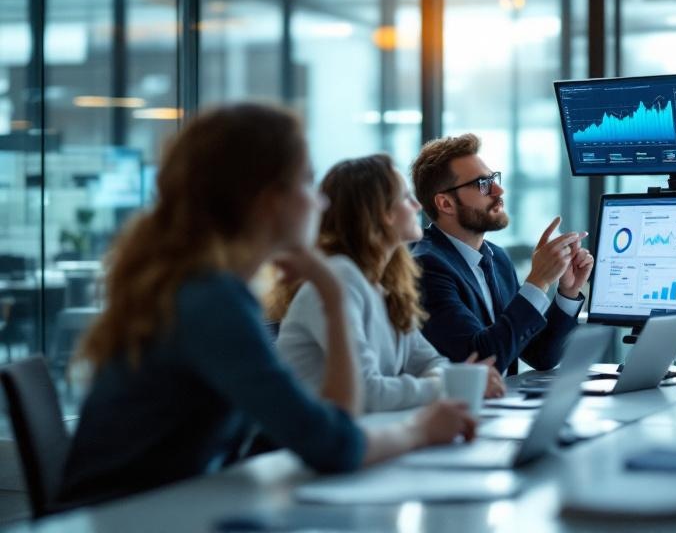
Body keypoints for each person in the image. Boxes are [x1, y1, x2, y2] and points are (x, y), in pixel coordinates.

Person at [59, 105, 475, 507]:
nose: (321, 203)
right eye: (307, 183)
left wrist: (331, 292)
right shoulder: (210, 299)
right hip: (128, 518)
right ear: (269, 200)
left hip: (167, 508)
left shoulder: (207, 288)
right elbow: (334, 445)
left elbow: (338, 424)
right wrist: (421, 429)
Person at [273, 154, 505, 412]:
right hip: (306, 447)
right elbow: (368, 393)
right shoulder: (339, 279)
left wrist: (440, 381)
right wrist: (450, 386)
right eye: (405, 198)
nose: (417, 206)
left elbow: (431, 361)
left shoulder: (385, 284)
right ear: (381, 213)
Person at [410, 133, 595, 374]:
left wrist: (568, 292)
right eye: (482, 184)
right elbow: (480, 361)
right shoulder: (425, 266)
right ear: (446, 204)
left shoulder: (496, 259)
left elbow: (540, 355)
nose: (499, 190)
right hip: (459, 408)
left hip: (502, 405)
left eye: (493, 179)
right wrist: (538, 281)